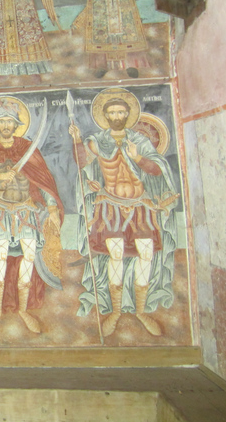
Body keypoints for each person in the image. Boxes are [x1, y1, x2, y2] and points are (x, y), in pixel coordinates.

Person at [68, 89, 179, 336]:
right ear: (105, 115)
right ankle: (116, 311)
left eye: (121, 112)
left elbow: (157, 169)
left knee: (146, 254)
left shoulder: (139, 141)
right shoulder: (97, 140)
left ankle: (141, 310)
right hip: (111, 206)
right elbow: (82, 162)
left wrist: (138, 158)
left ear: (128, 114)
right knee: (115, 255)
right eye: (112, 112)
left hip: (141, 206)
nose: (116, 116)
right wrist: (76, 140)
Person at [0, 97, 63, 336]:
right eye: (1, 122)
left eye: (10, 121)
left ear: (17, 125)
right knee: (1, 256)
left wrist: (51, 209)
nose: (6, 125)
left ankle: (24, 309)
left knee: (29, 256)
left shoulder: (28, 150)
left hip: (26, 210)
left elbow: (44, 183)